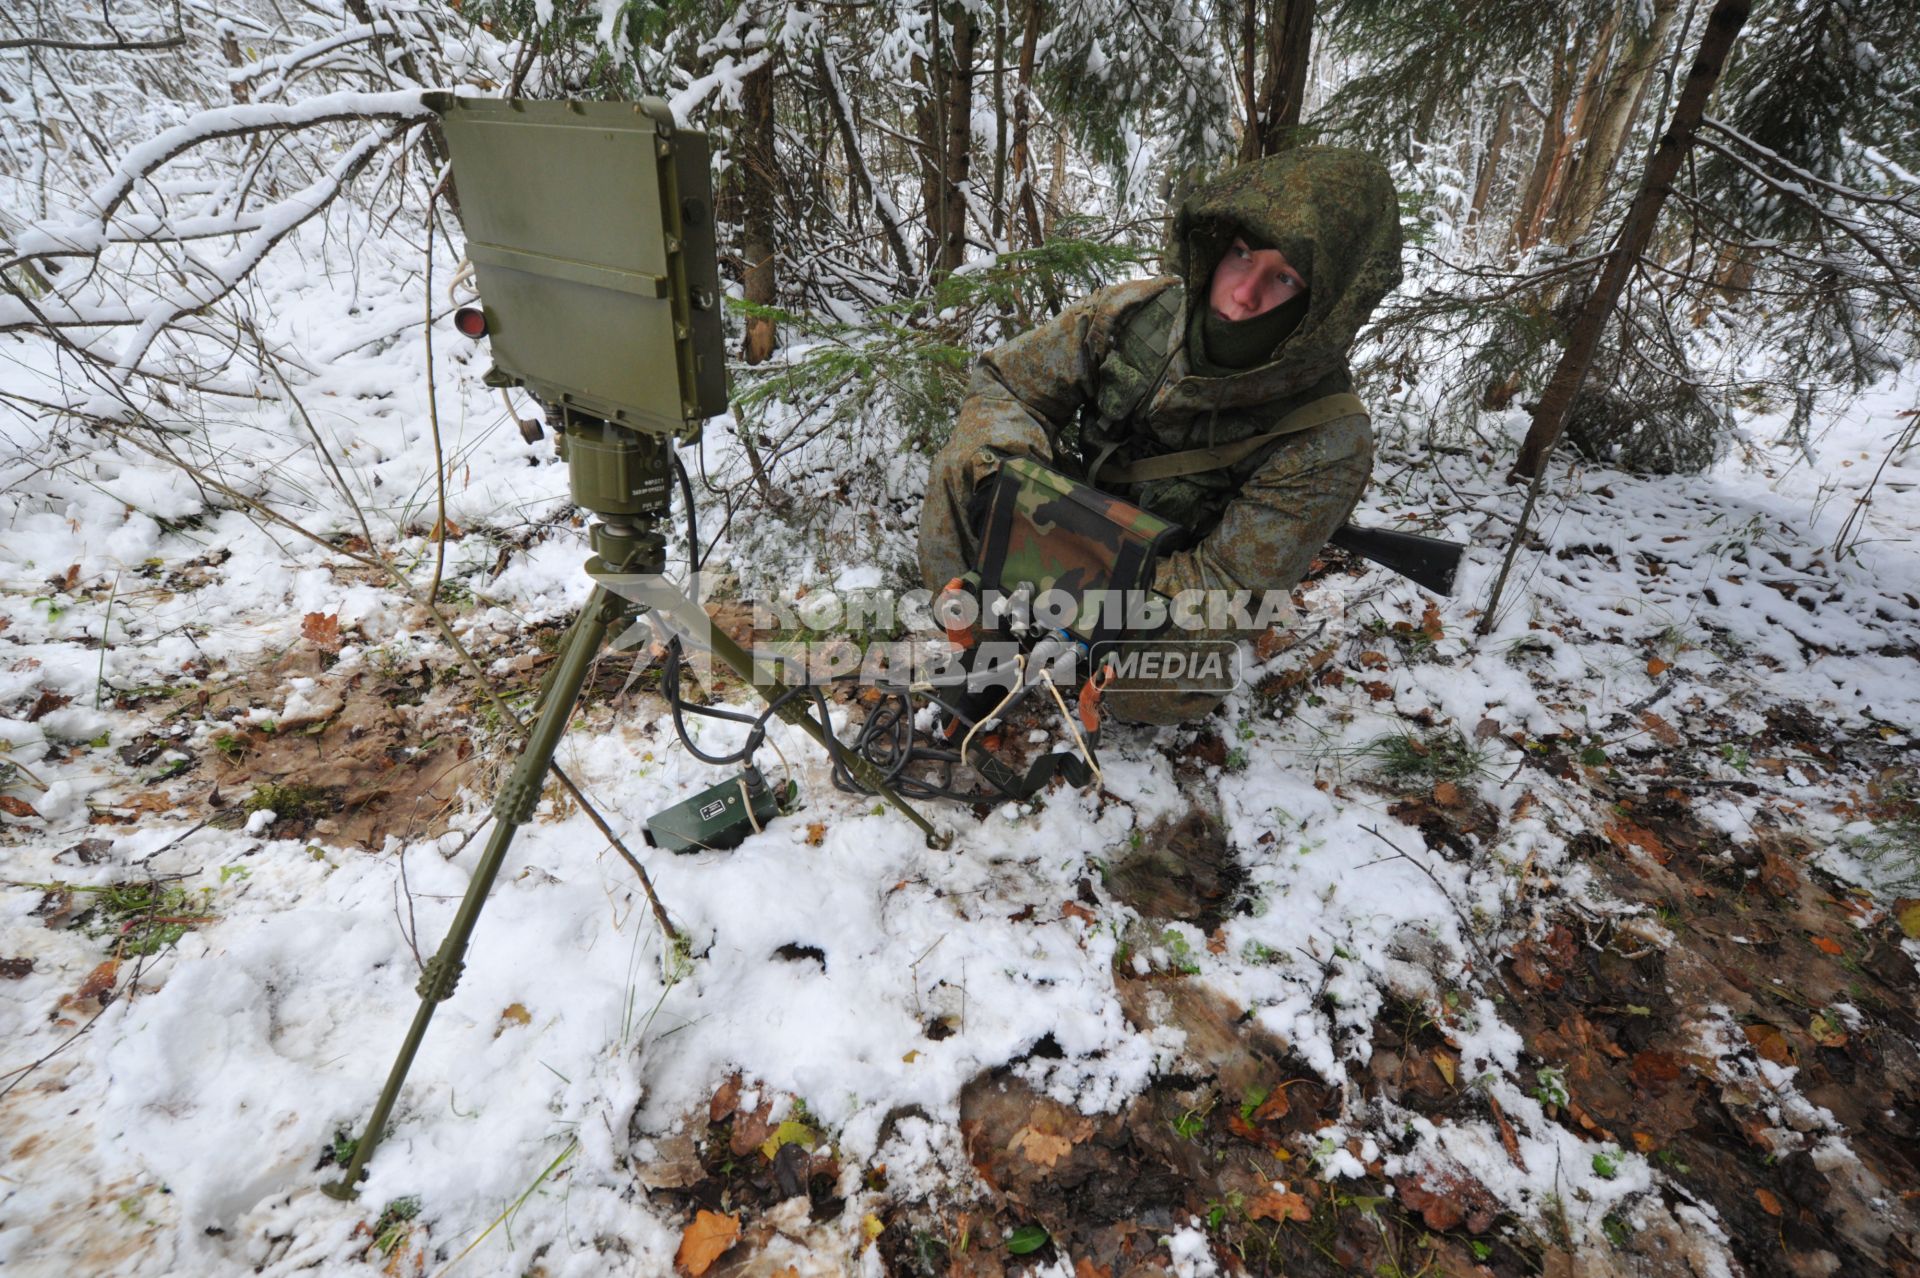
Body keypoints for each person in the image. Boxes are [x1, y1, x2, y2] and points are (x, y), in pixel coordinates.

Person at [917, 146, 1403, 725]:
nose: (1244, 295)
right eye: (1242, 254)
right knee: (963, 470)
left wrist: (1074, 572)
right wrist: (1010, 480)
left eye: (1286, 278)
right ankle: (983, 650)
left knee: (1179, 676)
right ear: (1216, 246)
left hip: (1164, 579)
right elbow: (1007, 386)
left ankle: (1082, 666)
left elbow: (1227, 589)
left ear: (1326, 304)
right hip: (1066, 508)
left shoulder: (1328, 435)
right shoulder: (1133, 313)